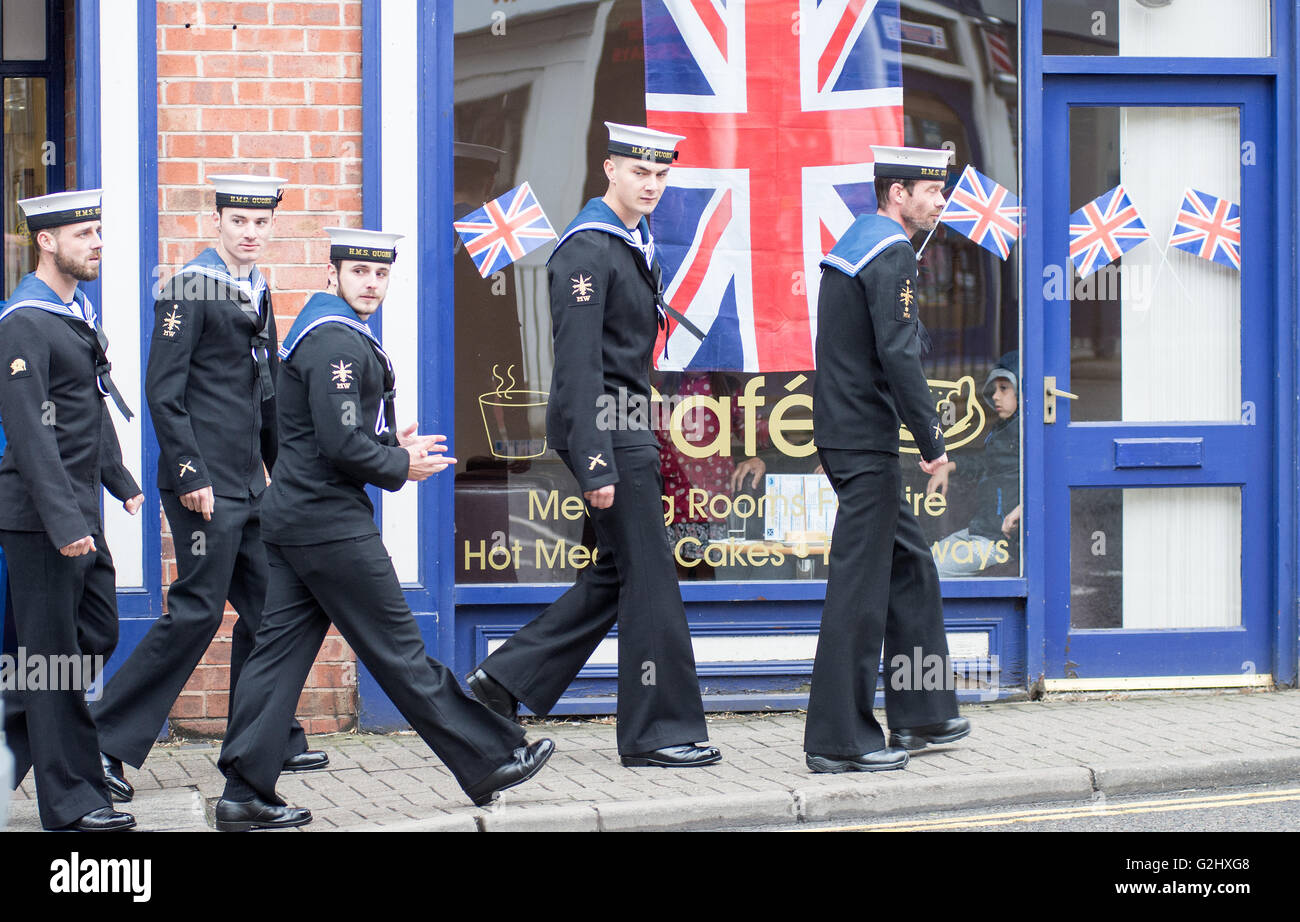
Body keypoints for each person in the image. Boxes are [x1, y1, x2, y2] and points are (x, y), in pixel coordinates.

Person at [214, 228, 552, 830]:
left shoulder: (326, 331)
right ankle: (493, 758)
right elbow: (340, 443)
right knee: (400, 652)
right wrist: (401, 463)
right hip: (328, 524)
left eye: (380, 274)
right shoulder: (335, 342)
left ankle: (242, 792)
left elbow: (322, 431)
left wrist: (388, 440)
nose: (371, 284)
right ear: (333, 275)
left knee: (277, 658)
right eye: (359, 272)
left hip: (295, 518)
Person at [465, 123, 720, 768]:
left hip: (629, 428)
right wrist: (595, 462)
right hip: (611, 437)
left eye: (661, 175)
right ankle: (656, 733)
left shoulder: (631, 242)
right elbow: (577, 367)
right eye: (640, 172)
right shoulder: (587, 249)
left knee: (614, 574)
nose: (652, 185)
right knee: (651, 579)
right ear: (610, 169)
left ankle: (500, 682)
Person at [91, 176, 323, 804]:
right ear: (217, 221)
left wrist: (283, 473)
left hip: (251, 485)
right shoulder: (187, 287)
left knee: (272, 611)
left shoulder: (258, 287)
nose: (250, 232)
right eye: (238, 221)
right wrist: (190, 473)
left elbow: (266, 390)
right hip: (203, 487)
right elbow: (163, 392)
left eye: (260, 223)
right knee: (197, 612)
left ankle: (265, 740)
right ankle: (104, 743)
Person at [805, 146, 971, 773]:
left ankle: (922, 711)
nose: (940, 201)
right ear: (897, 193)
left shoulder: (857, 241)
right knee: (859, 590)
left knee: (911, 567)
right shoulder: (891, 249)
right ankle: (839, 740)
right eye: (931, 190)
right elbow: (898, 354)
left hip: (849, 433)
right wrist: (933, 441)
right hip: (864, 439)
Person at [0, 190, 144, 830]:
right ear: (46, 241)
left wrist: (120, 479)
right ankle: (72, 801)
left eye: (98, 232)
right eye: (83, 234)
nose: (97, 243)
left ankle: (12, 732)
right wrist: (63, 524)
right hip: (40, 518)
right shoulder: (24, 322)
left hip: (80, 507)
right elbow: (30, 433)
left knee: (95, 634)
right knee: (54, 660)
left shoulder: (73, 314)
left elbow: (89, 406)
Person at [928, 352, 1022, 578]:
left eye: (1004, 388)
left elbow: (1047, 477)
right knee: (923, 560)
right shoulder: (1003, 429)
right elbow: (985, 462)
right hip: (980, 531)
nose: (996, 396)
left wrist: (1023, 509)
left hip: (999, 542)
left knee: (930, 573)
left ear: (1023, 390)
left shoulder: (1027, 433)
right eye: (994, 389)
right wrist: (950, 466)